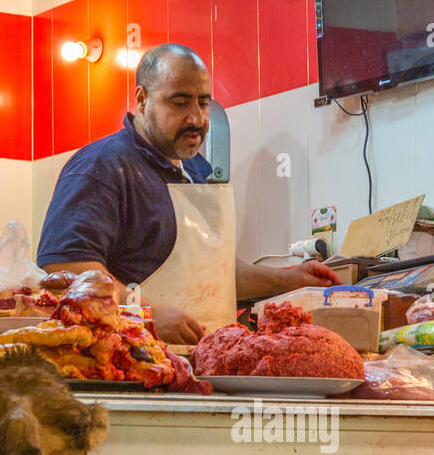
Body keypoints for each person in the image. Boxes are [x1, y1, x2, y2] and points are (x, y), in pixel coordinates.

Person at [37, 43, 337, 344]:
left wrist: (289, 279)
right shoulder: (102, 166)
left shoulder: (194, 169)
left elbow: (210, 275)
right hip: (127, 365)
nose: (197, 119)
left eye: (203, 103)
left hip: (201, 361)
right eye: (180, 103)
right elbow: (64, 269)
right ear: (142, 100)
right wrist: (144, 315)